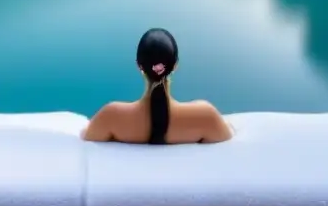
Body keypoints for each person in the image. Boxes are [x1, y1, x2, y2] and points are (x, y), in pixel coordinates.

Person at [81, 28, 234, 144]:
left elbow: (86, 137)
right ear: (175, 66)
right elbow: (227, 140)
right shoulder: (206, 116)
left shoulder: (111, 116)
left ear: (139, 66)